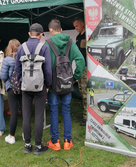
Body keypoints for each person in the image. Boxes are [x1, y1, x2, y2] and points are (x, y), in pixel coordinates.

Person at [45, 19, 85, 151]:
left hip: (52, 86)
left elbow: (44, 66)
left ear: (51, 31)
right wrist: (75, 77)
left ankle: (55, 142)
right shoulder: (70, 42)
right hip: (67, 83)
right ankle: (68, 141)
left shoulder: (48, 43)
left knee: (54, 111)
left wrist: (47, 82)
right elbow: (80, 61)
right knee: (66, 110)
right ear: (61, 30)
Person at [15, 23, 52, 155]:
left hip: (26, 87)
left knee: (26, 116)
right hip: (40, 87)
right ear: (41, 34)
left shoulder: (20, 48)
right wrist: (48, 85)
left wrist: (21, 82)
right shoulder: (44, 47)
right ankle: (38, 146)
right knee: (39, 116)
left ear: (29, 33)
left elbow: (17, 69)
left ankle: (27, 145)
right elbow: (47, 69)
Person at [0, 39, 22, 144]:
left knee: (14, 112)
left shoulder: (7, 60)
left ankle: (12, 136)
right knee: (25, 111)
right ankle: (25, 134)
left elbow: (3, 76)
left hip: (11, 87)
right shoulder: (24, 58)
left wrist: (8, 82)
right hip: (23, 87)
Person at [72, 17, 88, 126]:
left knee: (86, 91)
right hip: (80, 67)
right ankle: (84, 112)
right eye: (74, 27)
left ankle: (87, 116)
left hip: (87, 68)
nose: (76, 28)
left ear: (83, 24)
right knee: (81, 90)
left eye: (77, 26)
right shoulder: (78, 37)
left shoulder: (87, 35)